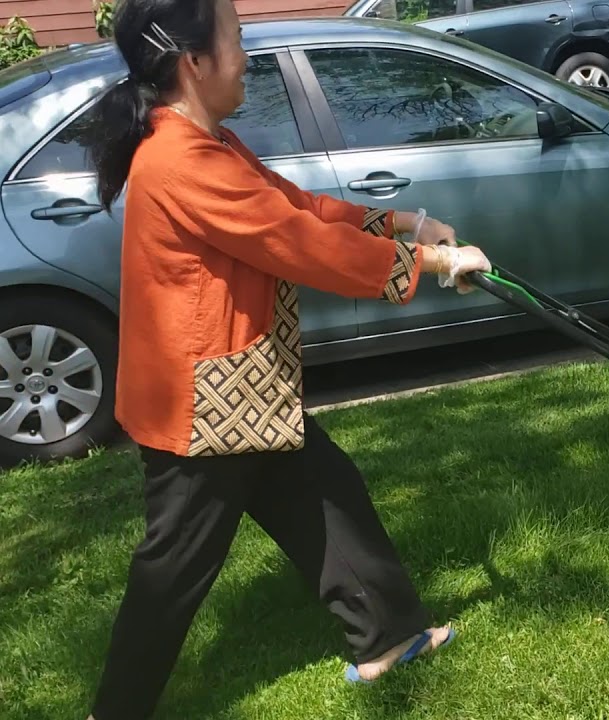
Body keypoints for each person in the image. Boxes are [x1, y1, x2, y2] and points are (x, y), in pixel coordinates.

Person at [82, 0, 493, 717]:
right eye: (238, 40)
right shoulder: (181, 161)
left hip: (245, 388)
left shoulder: (210, 143)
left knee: (327, 491)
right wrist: (431, 260)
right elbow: (301, 245)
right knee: (171, 571)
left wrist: (399, 220)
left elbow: (292, 205)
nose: (248, 56)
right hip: (203, 407)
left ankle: (386, 640)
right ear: (194, 63)